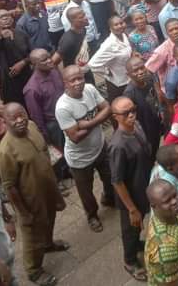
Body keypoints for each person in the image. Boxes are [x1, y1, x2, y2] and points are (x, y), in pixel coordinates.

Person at [0, 102, 67, 285]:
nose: (20, 120)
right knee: (32, 236)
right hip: (30, 200)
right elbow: (9, 186)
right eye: (14, 118)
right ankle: (34, 270)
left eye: (22, 115)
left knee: (50, 219)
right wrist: (23, 212)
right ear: (5, 121)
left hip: (48, 190)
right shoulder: (5, 152)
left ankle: (48, 244)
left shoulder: (32, 126)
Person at [55, 65, 115, 232]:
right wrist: (97, 120)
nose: (77, 83)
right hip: (79, 159)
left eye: (80, 78)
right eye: (72, 80)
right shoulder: (63, 107)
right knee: (86, 192)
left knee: (110, 177)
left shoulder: (90, 89)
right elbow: (75, 137)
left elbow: (108, 108)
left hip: (100, 146)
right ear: (65, 83)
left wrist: (86, 124)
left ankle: (109, 198)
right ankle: (92, 216)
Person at [109, 97, 154, 281]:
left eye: (133, 110)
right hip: (131, 197)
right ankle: (129, 260)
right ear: (115, 117)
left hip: (143, 187)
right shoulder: (117, 145)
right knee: (131, 228)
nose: (131, 115)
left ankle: (136, 244)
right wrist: (132, 209)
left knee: (137, 226)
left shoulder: (137, 126)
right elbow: (117, 181)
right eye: (125, 113)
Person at [88, 15, 133, 101]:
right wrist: (106, 72)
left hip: (129, 78)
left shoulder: (124, 35)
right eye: (116, 25)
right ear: (110, 28)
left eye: (121, 23)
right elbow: (92, 64)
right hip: (118, 83)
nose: (120, 26)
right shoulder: (109, 44)